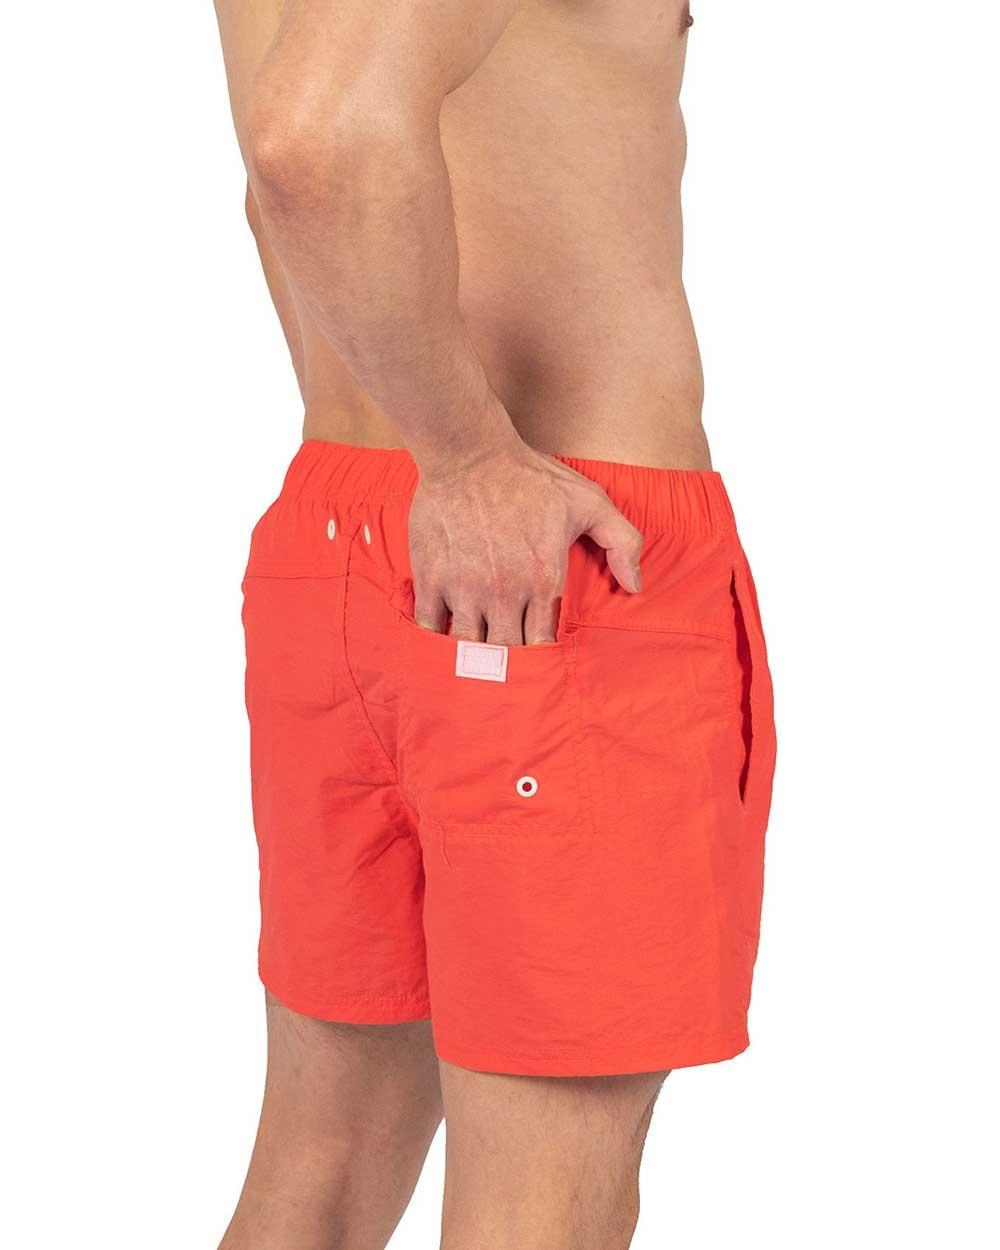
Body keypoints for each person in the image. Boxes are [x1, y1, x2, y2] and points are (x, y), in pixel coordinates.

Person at [212, 2, 775, 1247]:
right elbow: (314, 142)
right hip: (548, 561)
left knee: (320, 1165)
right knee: (540, 1208)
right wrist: (465, 458)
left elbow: (283, 184)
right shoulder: (487, 483)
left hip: (344, 530)